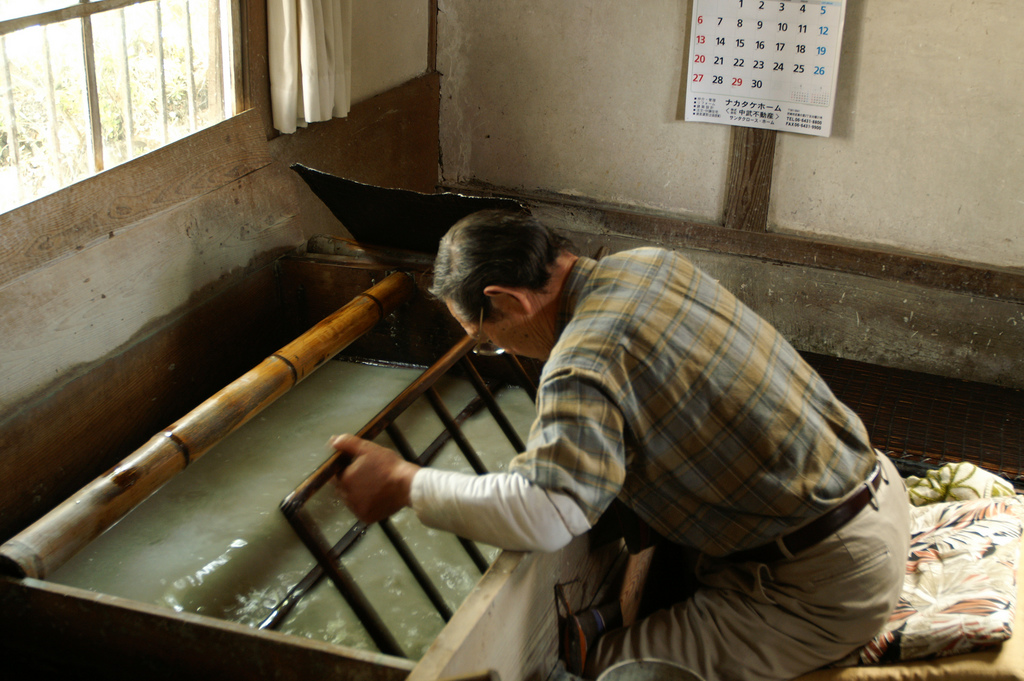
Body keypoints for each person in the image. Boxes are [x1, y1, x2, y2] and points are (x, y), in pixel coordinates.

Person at [329, 209, 911, 681]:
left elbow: (544, 512)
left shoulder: (581, 361)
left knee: (605, 671)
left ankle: (623, 632)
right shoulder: (650, 265)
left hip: (824, 583)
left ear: (507, 301)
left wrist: (406, 482)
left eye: (485, 341)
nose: (499, 350)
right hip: (872, 496)